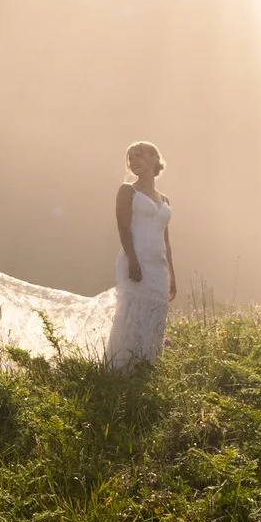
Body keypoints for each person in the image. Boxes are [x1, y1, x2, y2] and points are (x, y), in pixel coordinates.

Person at [107, 140, 175, 368]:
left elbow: (165, 239)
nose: (134, 160)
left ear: (155, 158)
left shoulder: (164, 199)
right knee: (131, 314)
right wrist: (133, 260)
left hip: (159, 266)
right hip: (135, 259)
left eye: (139, 155)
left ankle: (147, 367)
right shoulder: (127, 191)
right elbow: (123, 227)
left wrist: (171, 276)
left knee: (155, 315)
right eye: (131, 157)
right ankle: (121, 370)